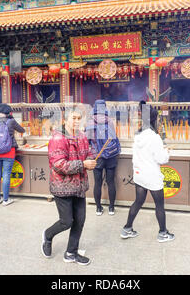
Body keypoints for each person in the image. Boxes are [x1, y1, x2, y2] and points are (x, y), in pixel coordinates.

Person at [41, 108, 97, 265]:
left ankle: (71, 252)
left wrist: (91, 160)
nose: (77, 121)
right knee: (66, 221)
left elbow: (89, 152)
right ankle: (48, 235)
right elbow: (59, 165)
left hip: (79, 186)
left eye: (79, 118)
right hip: (62, 187)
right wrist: (82, 164)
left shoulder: (82, 135)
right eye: (74, 118)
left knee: (80, 220)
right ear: (65, 119)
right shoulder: (58, 138)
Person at [120, 104, 175, 243]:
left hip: (139, 174)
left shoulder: (138, 135)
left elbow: (140, 154)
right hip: (152, 176)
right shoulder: (154, 137)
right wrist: (167, 152)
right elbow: (161, 159)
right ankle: (163, 233)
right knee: (159, 205)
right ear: (153, 119)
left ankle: (127, 228)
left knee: (138, 202)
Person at [85, 99, 121, 216]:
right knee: (111, 182)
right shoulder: (110, 121)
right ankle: (111, 208)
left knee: (98, 183)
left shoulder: (90, 122)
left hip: (97, 156)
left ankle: (99, 208)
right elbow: (113, 138)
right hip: (111, 155)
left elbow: (87, 142)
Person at [0, 103, 25, 206]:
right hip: (9, 151)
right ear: (8, 112)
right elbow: (22, 130)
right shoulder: (11, 121)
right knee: (6, 175)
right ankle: (5, 200)